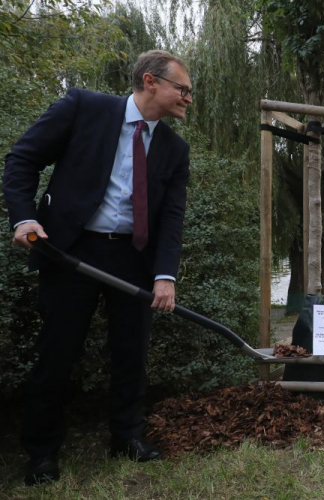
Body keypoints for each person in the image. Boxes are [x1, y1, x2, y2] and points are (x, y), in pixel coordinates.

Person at [3, 50, 193, 486]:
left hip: (134, 259)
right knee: (57, 353)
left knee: (131, 353)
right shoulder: (84, 107)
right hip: (71, 251)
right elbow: (22, 159)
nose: (188, 98)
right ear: (151, 82)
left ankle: (127, 438)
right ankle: (41, 454)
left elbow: (172, 217)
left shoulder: (174, 149)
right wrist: (24, 216)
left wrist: (165, 274)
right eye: (182, 89)